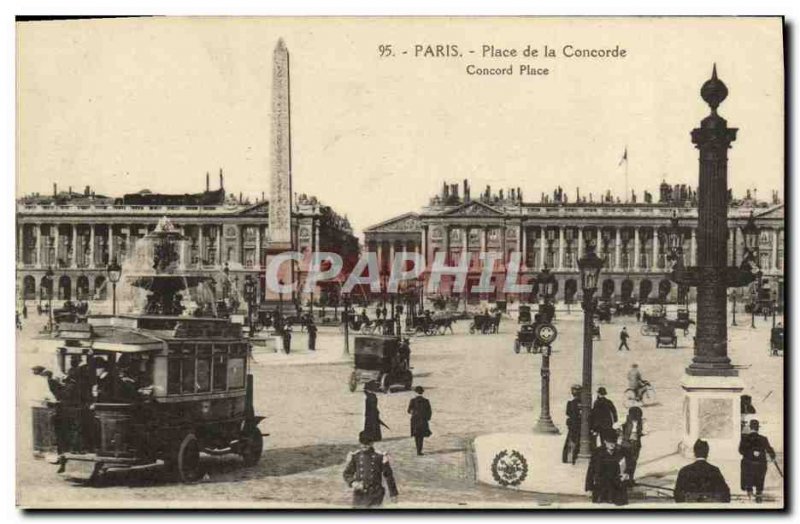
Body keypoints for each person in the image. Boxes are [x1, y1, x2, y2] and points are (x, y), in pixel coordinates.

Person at [343, 431, 399, 507]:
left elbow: (388, 475)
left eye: (367, 443)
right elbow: (347, 473)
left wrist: (393, 493)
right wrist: (353, 482)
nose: (364, 445)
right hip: (359, 494)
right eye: (362, 443)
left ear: (372, 443)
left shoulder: (379, 456)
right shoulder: (356, 456)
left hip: (375, 494)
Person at [585, 429, 628, 505]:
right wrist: (589, 488)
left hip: (614, 483)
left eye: (613, 442)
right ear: (605, 442)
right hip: (601, 484)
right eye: (609, 442)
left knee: (621, 501)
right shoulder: (598, 453)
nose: (612, 445)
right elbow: (591, 471)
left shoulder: (619, 453)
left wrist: (626, 474)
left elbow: (625, 467)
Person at [739, 420, 776, 503]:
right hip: (760, 465)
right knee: (760, 480)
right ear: (758, 428)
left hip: (748, 464)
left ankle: (749, 494)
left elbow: (741, 451)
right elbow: (770, 451)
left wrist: (751, 453)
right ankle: (759, 495)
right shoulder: (763, 439)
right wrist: (772, 457)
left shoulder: (744, 438)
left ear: (750, 427)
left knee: (748, 478)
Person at [620, 406, 644, 483]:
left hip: (636, 444)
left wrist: (640, 433)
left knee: (633, 461)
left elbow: (646, 430)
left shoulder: (641, 421)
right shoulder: (625, 419)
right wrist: (621, 431)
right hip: (626, 444)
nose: (636, 420)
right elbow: (615, 425)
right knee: (628, 461)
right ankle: (625, 478)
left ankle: (630, 478)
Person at [407, 386, 432, 455]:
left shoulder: (413, 400)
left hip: (415, 421)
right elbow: (429, 412)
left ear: (415, 392)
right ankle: (419, 450)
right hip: (423, 421)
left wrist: (413, 412)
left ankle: (418, 450)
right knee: (421, 436)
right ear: (422, 392)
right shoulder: (426, 401)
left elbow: (408, 410)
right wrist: (427, 419)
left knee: (416, 436)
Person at [562, 385, 582, 464]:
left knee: (569, 441)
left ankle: (565, 458)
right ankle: (574, 458)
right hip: (579, 425)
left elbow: (567, 413)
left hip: (572, 425)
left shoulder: (570, 403)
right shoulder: (582, 403)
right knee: (577, 441)